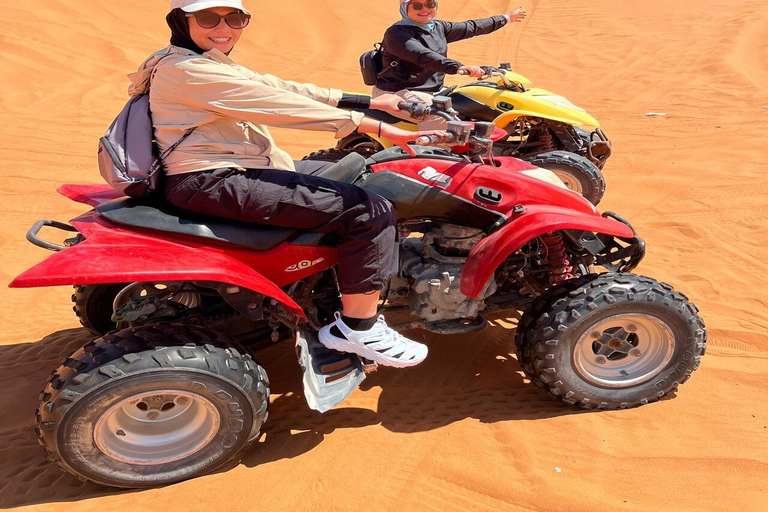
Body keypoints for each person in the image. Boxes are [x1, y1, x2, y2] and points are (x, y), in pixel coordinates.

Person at [131, 0, 444, 368]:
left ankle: (329, 289)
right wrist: (370, 125)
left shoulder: (194, 59)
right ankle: (359, 327)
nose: (224, 26)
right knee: (370, 210)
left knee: (344, 170)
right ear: (181, 21)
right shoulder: (188, 70)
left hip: (224, 169)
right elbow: (276, 104)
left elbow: (278, 86)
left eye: (235, 17)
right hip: (212, 178)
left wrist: (375, 101)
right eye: (207, 17)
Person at [374, 1, 527, 128]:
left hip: (432, 90)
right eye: (417, 6)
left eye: (429, 3)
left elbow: (471, 27)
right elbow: (423, 56)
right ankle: (435, 157)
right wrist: (458, 67)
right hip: (398, 92)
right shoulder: (397, 34)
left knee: (475, 106)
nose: (425, 9)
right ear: (405, 7)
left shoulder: (437, 27)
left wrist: (506, 18)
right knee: (441, 116)